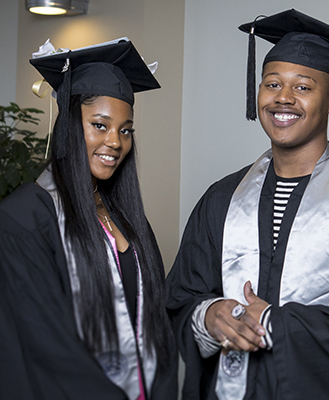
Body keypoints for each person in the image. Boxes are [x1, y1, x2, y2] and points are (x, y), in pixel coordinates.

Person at [166, 9, 329, 400]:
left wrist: (278, 324)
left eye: (303, 87)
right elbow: (181, 297)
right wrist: (207, 316)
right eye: (272, 84)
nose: (283, 98)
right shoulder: (222, 199)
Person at [0, 39, 177, 399]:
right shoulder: (25, 217)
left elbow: (157, 323)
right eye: (100, 125)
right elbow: (44, 344)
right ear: (68, 125)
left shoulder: (127, 218)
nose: (115, 141)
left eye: (125, 130)